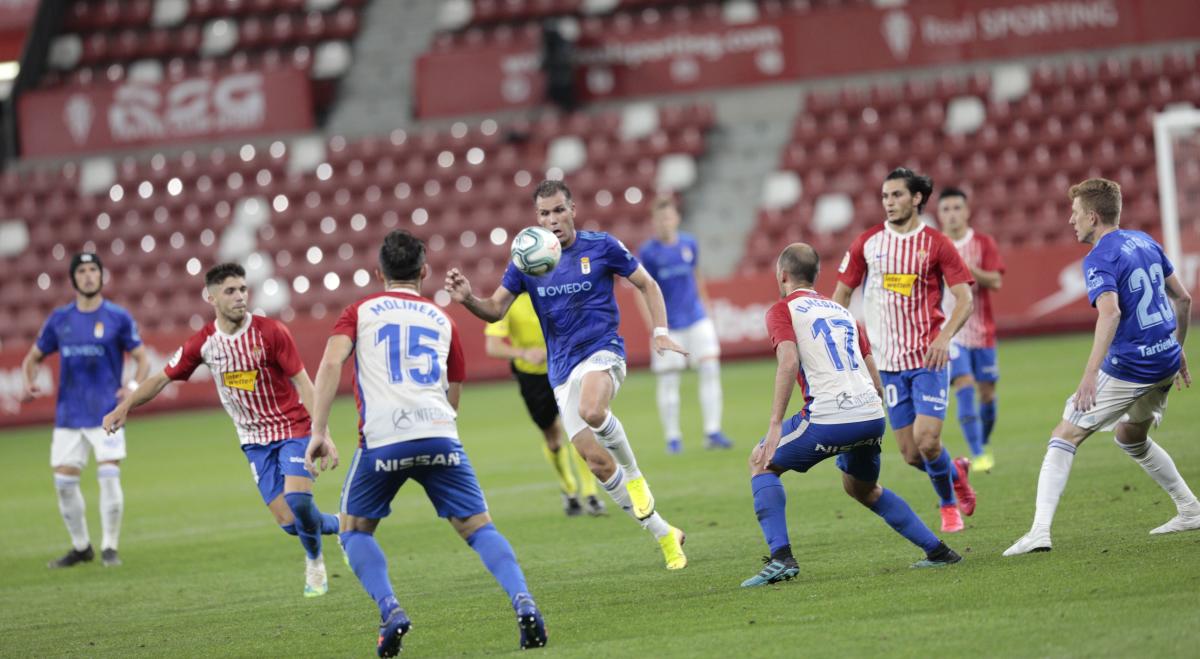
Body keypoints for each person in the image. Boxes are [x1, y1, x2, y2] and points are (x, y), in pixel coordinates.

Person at [305, 230, 546, 655]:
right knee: (478, 527)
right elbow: (453, 395)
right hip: (440, 433)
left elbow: (329, 363)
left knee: (354, 530)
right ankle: (522, 599)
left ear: (379, 272)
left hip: (383, 440)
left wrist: (319, 431)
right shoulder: (443, 320)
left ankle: (391, 609)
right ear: (424, 271)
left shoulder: (359, 311)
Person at [445, 179, 689, 570]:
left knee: (594, 411)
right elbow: (495, 310)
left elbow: (647, 283)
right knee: (595, 463)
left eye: (559, 210)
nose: (553, 219)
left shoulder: (602, 246)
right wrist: (469, 299)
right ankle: (664, 533)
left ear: (573, 209)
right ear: (536, 217)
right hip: (560, 370)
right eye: (544, 213)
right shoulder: (526, 259)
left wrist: (660, 332)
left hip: (603, 352)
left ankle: (635, 474)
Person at [102, 263, 340, 597]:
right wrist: (124, 406)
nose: (240, 296)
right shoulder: (204, 344)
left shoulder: (271, 332)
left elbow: (303, 381)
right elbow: (160, 379)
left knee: (300, 501)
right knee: (289, 523)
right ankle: (343, 525)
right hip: (254, 443)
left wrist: (321, 431)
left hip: (293, 428)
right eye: (230, 291)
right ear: (211, 297)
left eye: (243, 289)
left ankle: (314, 563)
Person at [742, 244, 962, 586]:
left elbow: (788, 361)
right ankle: (939, 552)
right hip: (872, 415)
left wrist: (774, 425)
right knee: (863, 488)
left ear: (782, 275)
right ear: (816, 276)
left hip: (829, 417)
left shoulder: (782, 310)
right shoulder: (843, 313)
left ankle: (781, 557)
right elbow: (874, 377)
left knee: (760, 461)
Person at [1004, 178, 1200, 556]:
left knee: (1065, 433)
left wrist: (1090, 373)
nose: (1070, 220)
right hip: (1163, 360)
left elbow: (1110, 313)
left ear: (1093, 217)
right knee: (1131, 437)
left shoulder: (1099, 257)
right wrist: (1176, 348)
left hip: (1131, 367)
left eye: (1075, 213)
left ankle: (1039, 531)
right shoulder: (1146, 241)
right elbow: (1185, 298)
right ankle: (1191, 509)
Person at [833, 167, 978, 533]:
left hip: (928, 359)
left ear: (916, 198)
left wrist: (944, 338)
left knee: (928, 442)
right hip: (887, 366)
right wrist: (843, 340)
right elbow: (842, 295)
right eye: (885, 196)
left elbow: (965, 298)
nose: (889, 202)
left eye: (897, 195)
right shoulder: (867, 243)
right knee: (912, 453)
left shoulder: (937, 244)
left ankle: (947, 507)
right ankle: (956, 470)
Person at [22, 252, 149, 568]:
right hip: (69, 415)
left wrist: (132, 389)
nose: (89, 275)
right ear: (74, 278)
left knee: (108, 474)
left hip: (106, 411)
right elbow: (32, 358)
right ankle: (81, 548)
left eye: (94, 270)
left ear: (102, 276)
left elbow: (143, 359)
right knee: (64, 483)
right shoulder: (60, 319)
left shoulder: (118, 317)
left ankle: (109, 547)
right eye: (83, 271)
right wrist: (29, 381)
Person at [484, 291, 606, 516]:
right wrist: (523, 352)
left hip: (566, 368)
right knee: (552, 438)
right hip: (532, 376)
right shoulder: (507, 299)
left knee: (581, 429)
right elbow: (492, 346)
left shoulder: (558, 289)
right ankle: (569, 489)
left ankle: (591, 494)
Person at [636, 196, 734, 453]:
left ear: (676, 218)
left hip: (697, 318)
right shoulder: (648, 252)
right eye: (660, 219)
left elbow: (697, 276)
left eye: (668, 217)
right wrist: (654, 327)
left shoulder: (689, 244)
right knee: (669, 381)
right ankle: (673, 437)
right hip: (669, 326)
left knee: (711, 370)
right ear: (654, 222)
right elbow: (641, 289)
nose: (665, 223)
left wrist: (707, 309)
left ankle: (712, 431)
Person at [937, 187, 1005, 471]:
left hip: (982, 330)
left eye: (956, 208)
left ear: (966, 212)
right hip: (951, 331)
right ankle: (978, 454)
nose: (952, 214)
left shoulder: (983, 242)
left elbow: (996, 281)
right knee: (963, 385)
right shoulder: (934, 245)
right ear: (939, 215)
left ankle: (982, 440)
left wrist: (967, 269)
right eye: (946, 209)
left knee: (986, 394)